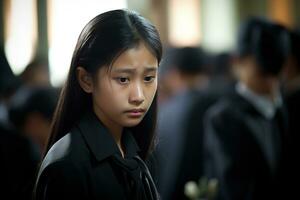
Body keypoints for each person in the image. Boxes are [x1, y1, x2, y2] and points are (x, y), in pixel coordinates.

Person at [34, 9, 162, 200]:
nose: (138, 96)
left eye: (149, 78)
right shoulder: (67, 165)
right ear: (86, 80)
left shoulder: (134, 150)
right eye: (123, 79)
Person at [202, 17, 290, 200]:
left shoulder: (280, 108)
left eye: (276, 75)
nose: (272, 84)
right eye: (263, 74)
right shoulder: (222, 118)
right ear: (238, 62)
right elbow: (232, 188)